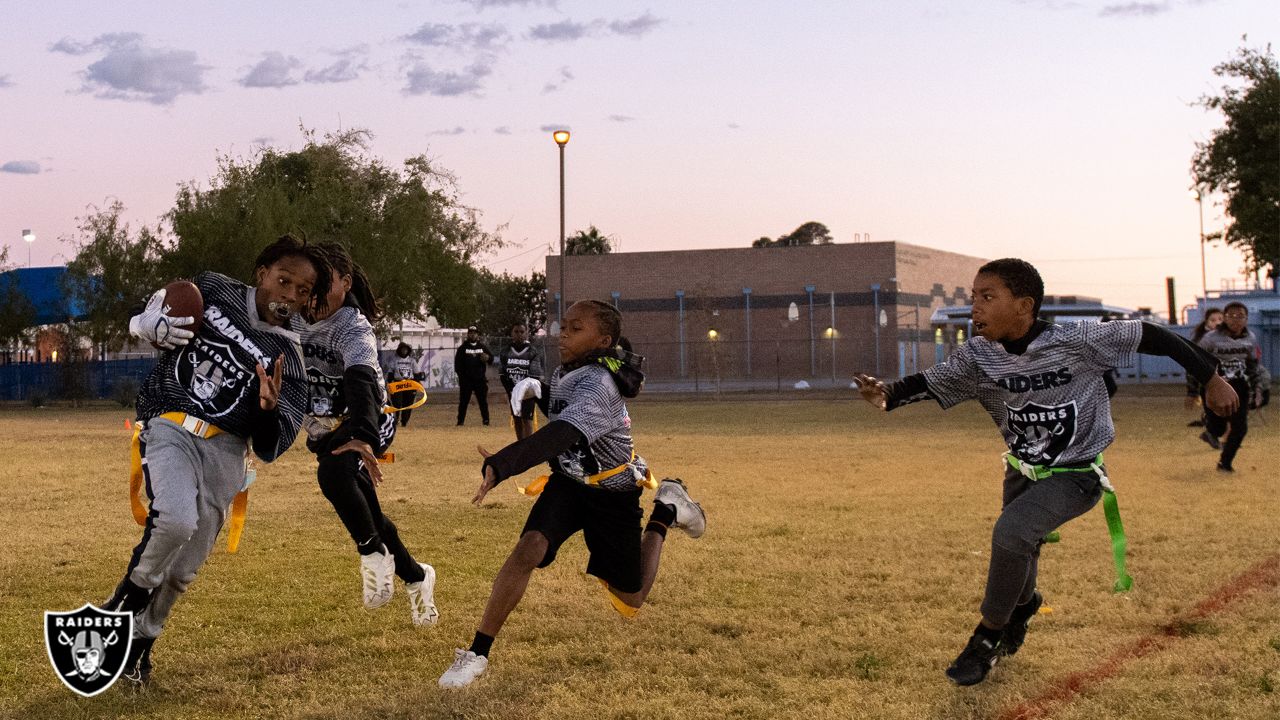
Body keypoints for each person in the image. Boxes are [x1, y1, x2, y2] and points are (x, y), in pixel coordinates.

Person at [853, 258, 1236, 687]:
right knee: (1023, 548)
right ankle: (1025, 604)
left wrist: (1210, 378)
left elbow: (1153, 334)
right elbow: (930, 380)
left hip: (1076, 474)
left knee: (1011, 533)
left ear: (1023, 305)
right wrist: (886, 393)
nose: (975, 307)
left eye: (987, 296)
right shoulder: (979, 354)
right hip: (1022, 469)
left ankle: (987, 637)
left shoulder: (1076, 339)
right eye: (974, 296)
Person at [102, 235, 335, 688]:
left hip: (226, 452)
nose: (289, 294)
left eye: (302, 291)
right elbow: (151, 314)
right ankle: (126, 599)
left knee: (184, 570)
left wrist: (267, 410)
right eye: (283, 280)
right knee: (174, 520)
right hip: (172, 423)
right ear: (262, 273)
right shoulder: (212, 290)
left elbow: (270, 446)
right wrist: (144, 323)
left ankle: (140, 648)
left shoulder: (290, 359)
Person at [437, 300, 707, 689]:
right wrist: (538, 393)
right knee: (528, 548)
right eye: (563, 326)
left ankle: (665, 509)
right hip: (568, 483)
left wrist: (504, 462)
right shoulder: (570, 371)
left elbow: (564, 433)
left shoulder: (600, 383)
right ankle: (477, 653)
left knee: (630, 599)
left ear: (603, 339)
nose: (563, 333)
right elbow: (562, 412)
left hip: (612, 495)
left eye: (575, 328)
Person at [298, 243, 439, 626]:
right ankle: (416, 575)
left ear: (345, 282)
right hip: (325, 428)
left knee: (333, 473)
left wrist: (361, 435)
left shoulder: (352, 325)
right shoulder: (292, 316)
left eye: (324, 283)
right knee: (369, 512)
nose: (313, 294)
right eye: (309, 283)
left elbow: (361, 382)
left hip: (369, 420)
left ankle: (372, 554)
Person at [1197, 302, 1267, 472]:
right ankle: (1209, 425)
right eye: (1231, 316)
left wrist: (1258, 388)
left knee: (1240, 428)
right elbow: (1196, 361)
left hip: (1239, 386)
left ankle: (1225, 463)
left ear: (1246, 319)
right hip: (1215, 387)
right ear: (1225, 318)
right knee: (1218, 428)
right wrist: (1195, 389)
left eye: (1240, 316)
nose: (1236, 320)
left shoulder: (1250, 338)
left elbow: (1252, 365)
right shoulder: (1210, 338)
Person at [499, 322, 544, 440]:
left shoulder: (532, 352)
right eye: (516, 332)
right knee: (517, 419)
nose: (519, 334)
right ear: (511, 333)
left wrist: (525, 392)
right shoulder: (505, 352)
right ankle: (520, 445)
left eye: (522, 332)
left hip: (528, 393)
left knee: (527, 420)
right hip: (513, 392)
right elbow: (502, 374)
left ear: (526, 334)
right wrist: (510, 390)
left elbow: (535, 375)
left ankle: (527, 448)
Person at [1185, 308, 1223, 428]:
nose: (1217, 323)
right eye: (1213, 320)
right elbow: (1191, 365)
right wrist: (1192, 390)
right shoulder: (1201, 341)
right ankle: (1211, 425)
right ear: (1206, 322)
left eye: (1220, 319)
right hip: (1208, 380)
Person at [455, 325, 493, 426]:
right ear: (468, 334)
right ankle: (460, 422)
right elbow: (457, 366)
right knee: (463, 402)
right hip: (466, 381)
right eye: (470, 333)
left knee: (483, 402)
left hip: (480, 380)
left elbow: (491, 359)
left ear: (478, 335)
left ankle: (486, 421)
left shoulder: (482, 347)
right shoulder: (462, 348)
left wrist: (488, 358)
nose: (472, 334)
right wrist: (462, 379)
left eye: (474, 333)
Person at [385, 342, 424, 428]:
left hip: (410, 384)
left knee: (408, 404)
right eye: (402, 349)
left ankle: (404, 422)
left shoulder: (412, 361)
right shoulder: (394, 360)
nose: (404, 351)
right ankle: (395, 420)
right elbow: (390, 373)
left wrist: (417, 385)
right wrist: (389, 383)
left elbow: (417, 374)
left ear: (408, 350)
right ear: (399, 350)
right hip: (397, 384)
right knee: (397, 403)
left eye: (406, 349)